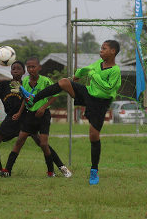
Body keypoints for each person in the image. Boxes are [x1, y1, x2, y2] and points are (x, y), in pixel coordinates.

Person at [25, 40, 122, 185]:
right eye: (101, 48)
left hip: (100, 103)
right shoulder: (97, 64)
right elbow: (84, 70)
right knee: (64, 82)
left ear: (113, 51)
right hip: (88, 95)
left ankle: (94, 171)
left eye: (104, 48)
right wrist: (77, 75)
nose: (101, 50)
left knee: (94, 136)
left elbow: (108, 88)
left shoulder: (115, 70)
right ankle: (33, 97)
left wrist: (94, 75)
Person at [0, 60, 72, 177]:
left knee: (43, 144)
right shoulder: (5, 85)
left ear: (24, 71)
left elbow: (35, 99)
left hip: (28, 117)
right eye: (13, 68)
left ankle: (60, 167)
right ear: (10, 71)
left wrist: (42, 108)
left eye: (18, 68)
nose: (15, 70)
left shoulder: (27, 83)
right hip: (11, 119)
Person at [1, 57, 63, 177]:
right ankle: (7, 170)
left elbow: (55, 95)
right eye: (28, 67)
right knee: (19, 141)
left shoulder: (46, 81)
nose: (31, 69)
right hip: (30, 115)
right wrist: (19, 112)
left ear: (39, 68)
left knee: (44, 144)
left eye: (33, 67)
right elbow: (25, 99)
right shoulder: (24, 82)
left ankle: (51, 171)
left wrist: (43, 107)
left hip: (43, 115)